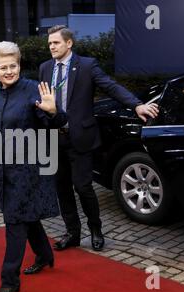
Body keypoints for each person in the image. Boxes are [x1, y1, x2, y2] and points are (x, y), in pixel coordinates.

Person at [39, 25, 159, 252]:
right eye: (49, 44)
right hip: (54, 140)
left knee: (83, 188)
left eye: (55, 42)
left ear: (69, 43)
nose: (51, 47)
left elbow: (111, 87)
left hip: (80, 139)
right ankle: (72, 233)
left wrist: (136, 105)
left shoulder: (86, 65)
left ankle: (96, 230)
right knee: (61, 189)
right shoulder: (45, 68)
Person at [0, 41, 68, 292]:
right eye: (4, 67)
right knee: (27, 216)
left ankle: (9, 281)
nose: (10, 71)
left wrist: (54, 111)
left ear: (19, 65)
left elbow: (55, 122)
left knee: (14, 221)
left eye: (14, 66)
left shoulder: (34, 89)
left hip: (30, 169)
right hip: (3, 169)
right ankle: (45, 255)